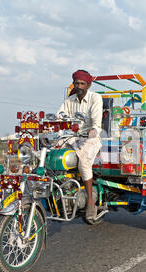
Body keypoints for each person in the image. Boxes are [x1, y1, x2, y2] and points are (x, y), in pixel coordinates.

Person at [57, 70, 103, 220]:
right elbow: (59, 119)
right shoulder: (69, 101)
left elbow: (96, 125)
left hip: (90, 138)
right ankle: (63, 190)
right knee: (53, 154)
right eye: (76, 83)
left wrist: (90, 133)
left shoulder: (95, 98)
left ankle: (90, 201)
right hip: (71, 137)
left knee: (83, 161)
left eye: (82, 83)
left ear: (89, 85)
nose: (79, 86)